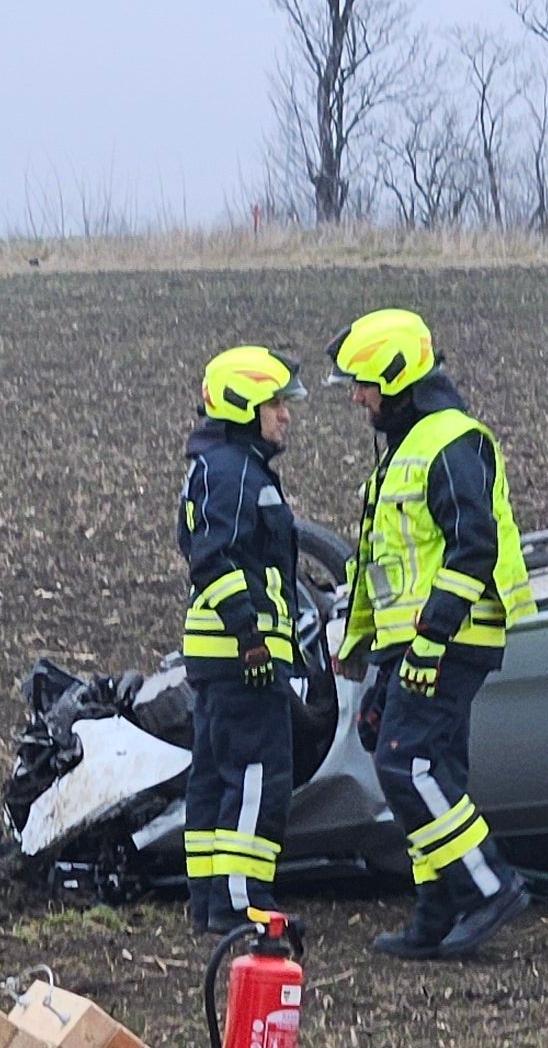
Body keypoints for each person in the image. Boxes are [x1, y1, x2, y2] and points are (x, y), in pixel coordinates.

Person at [332, 307, 529, 959]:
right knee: (422, 768)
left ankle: (487, 885)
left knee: (407, 764)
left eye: (364, 383)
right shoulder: (408, 447)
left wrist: (431, 639)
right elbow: (385, 569)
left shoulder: (448, 441)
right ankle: (436, 916)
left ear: (397, 376)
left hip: (448, 637)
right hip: (413, 644)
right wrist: (367, 653)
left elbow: (474, 547)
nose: (358, 397)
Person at [178, 345, 306, 932]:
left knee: (214, 777)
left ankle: (210, 902)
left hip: (223, 656)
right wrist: (251, 636)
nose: (285, 415)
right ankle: (241, 902)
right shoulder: (232, 473)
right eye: (275, 403)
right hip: (240, 655)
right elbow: (215, 557)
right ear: (244, 406)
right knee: (257, 776)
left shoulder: (229, 468)